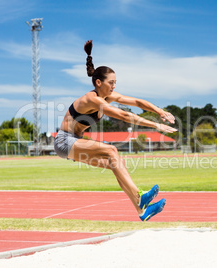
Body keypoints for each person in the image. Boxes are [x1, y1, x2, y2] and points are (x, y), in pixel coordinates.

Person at [54, 40, 177, 221]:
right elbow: (125, 116)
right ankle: (140, 196)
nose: (114, 86)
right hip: (64, 141)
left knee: (116, 164)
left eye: (115, 82)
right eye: (111, 83)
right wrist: (156, 125)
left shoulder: (107, 96)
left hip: (74, 142)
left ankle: (141, 211)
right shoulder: (92, 99)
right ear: (98, 82)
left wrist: (159, 111)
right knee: (112, 150)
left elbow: (136, 102)